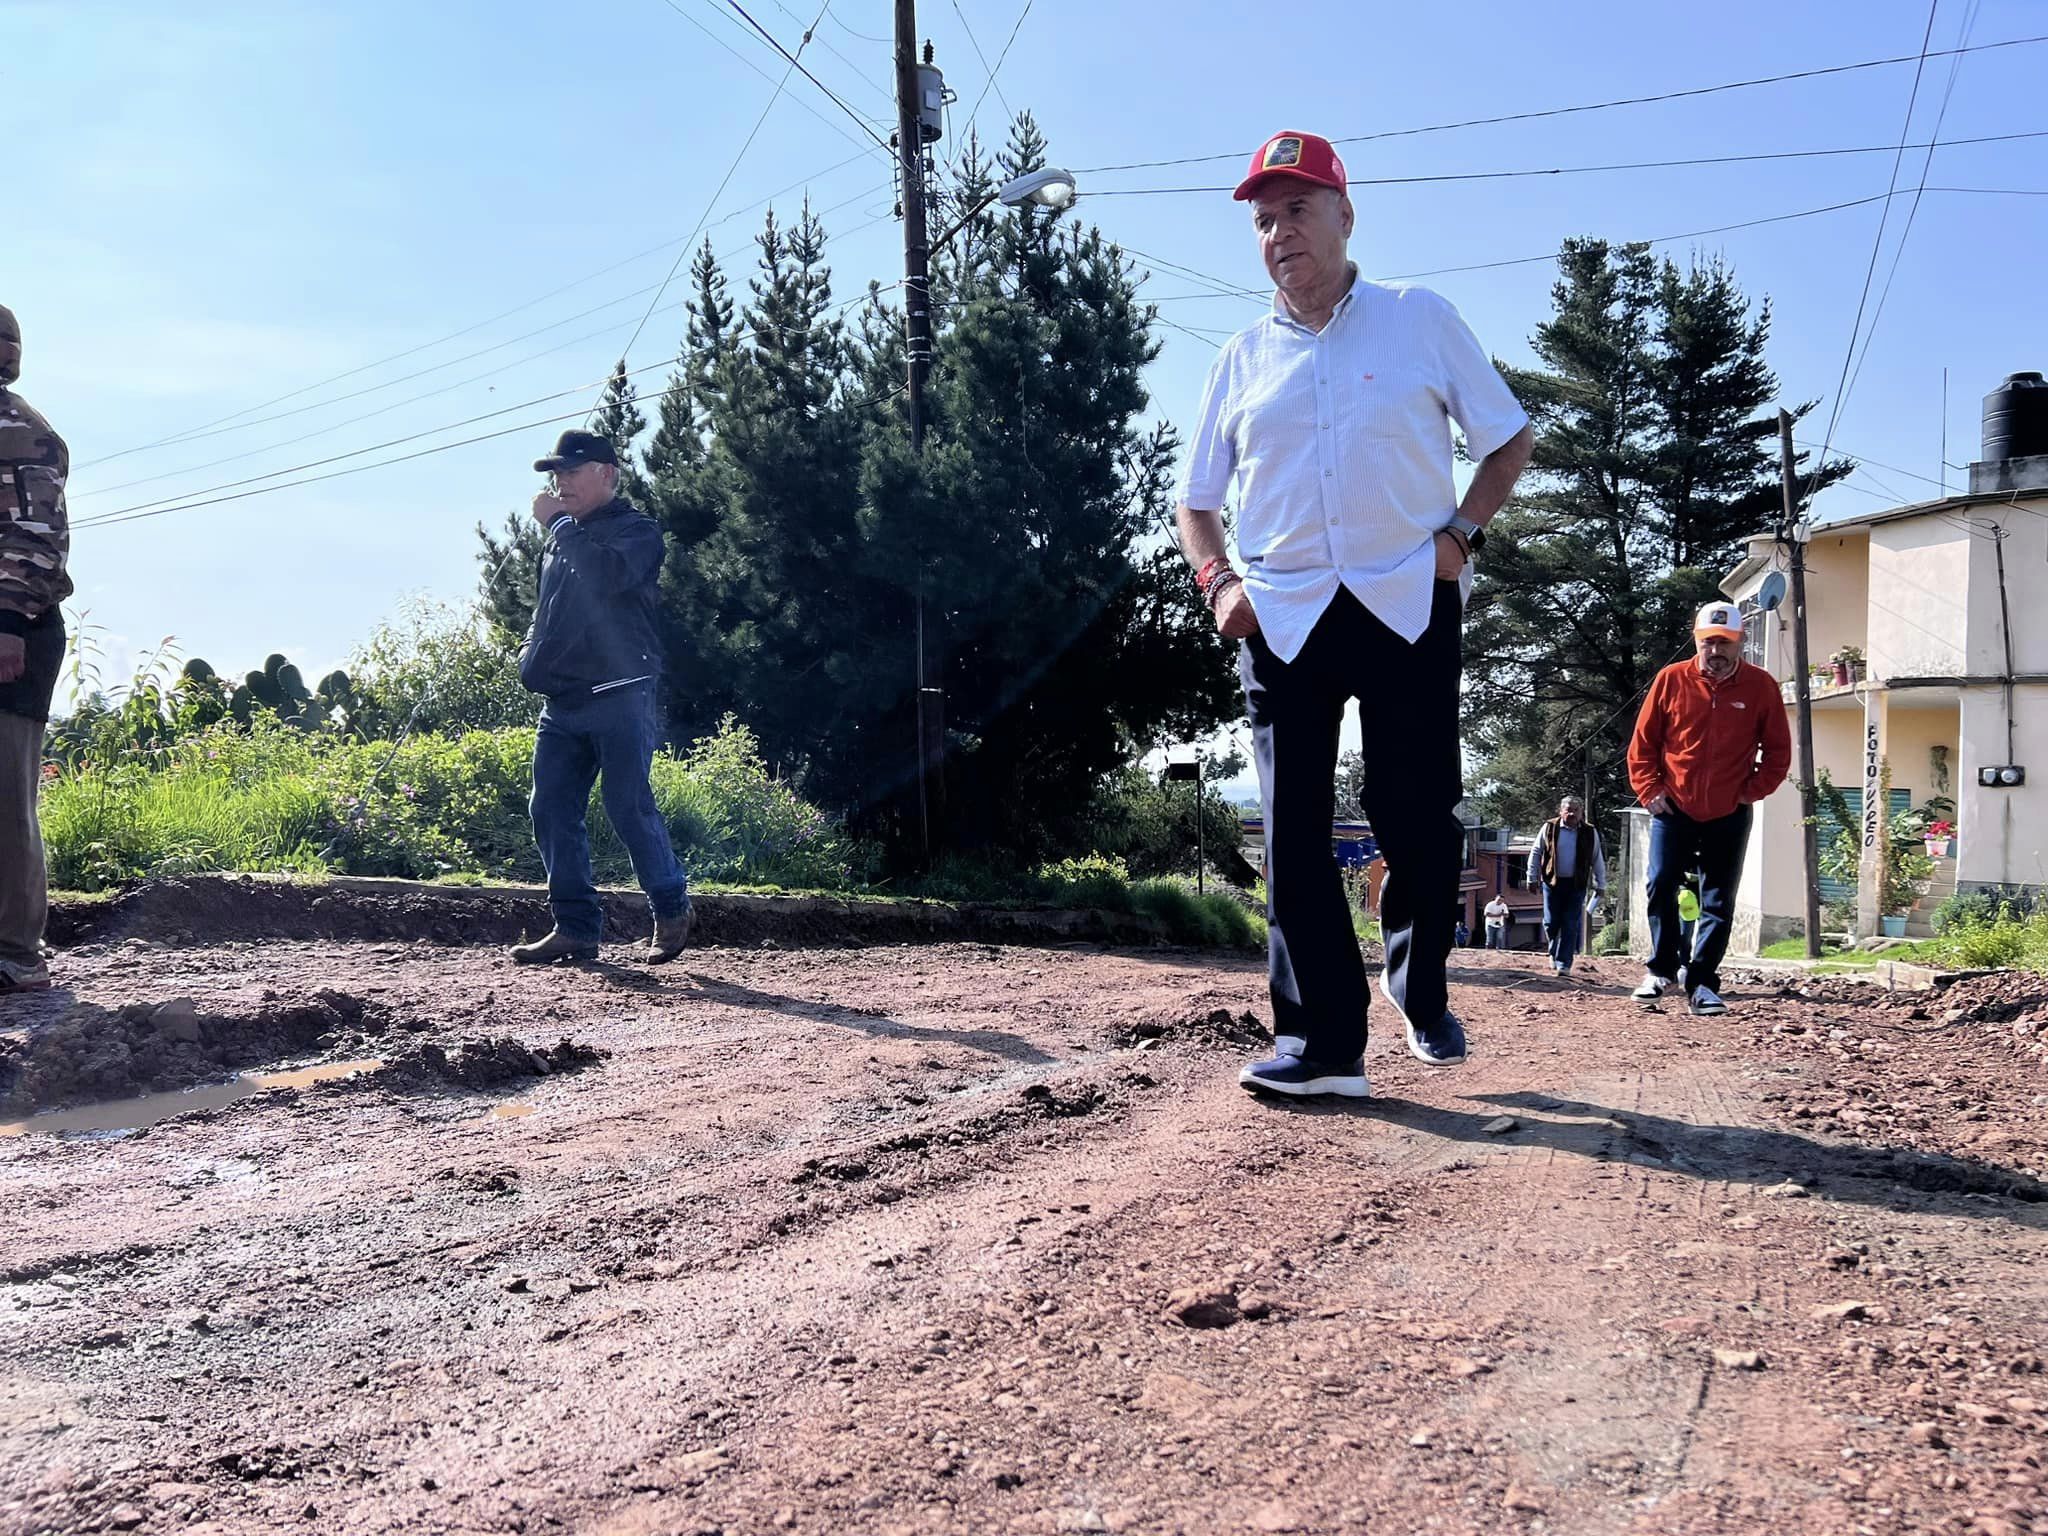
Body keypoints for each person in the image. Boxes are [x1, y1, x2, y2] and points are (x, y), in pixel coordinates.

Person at [1176, 131, 1534, 1098]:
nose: (1279, 233)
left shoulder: (1418, 321)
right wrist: (1221, 585)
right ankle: (1323, 1046)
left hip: (1406, 599)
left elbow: (1507, 441)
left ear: (1344, 214)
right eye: (1262, 220)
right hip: (1282, 615)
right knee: (1292, 833)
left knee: (1414, 814)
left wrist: (1463, 536)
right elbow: (1196, 498)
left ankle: (1419, 990)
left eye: (1296, 209)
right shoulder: (1239, 360)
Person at [508, 430, 693, 967]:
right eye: (556, 474)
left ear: (608, 474)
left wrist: (559, 525)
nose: (560, 482)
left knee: (626, 804)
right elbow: (548, 614)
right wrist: (529, 654)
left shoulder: (637, 532)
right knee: (549, 807)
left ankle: (672, 909)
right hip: (562, 703)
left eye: (571, 471)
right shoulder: (563, 541)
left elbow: (604, 575)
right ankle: (576, 928)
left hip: (620, 694)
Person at [1626, 600, 1791, 1015]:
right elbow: (1643, 745)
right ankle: (1661, 970)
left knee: (1718, 899)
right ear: (1697, 641)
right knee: (1660, 883)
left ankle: (1701, 982)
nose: (1716, 652)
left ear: (1740, 643)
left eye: (1725, 643)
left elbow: (1778, 753)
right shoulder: (1671, 680)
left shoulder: (1761, 687)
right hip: (1673, 807)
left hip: (1729, 811)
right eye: (1708, 643)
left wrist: (1750, 792)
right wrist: (1649, 791)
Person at [0, 305, 70, 997]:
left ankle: (16, 957)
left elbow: (35, 538)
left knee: (3, 796)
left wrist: (7, 624)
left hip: (13, 630)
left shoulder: (21, 431)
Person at [1526, 795, 1607, 976]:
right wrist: (1531, 877)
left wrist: (1600, 884)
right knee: (1551, 922)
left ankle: (1564, 963)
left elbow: (1597, 858)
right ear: (1561, 811)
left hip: (1576, 884)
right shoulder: (1549, 827)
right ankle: (1553, 953)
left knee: (1570, 923)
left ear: (1581, 813)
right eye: (1568, 809)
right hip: (1552, 882)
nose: (1571, 813)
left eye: (1575, 810)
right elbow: (1536, 851)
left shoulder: (1589, 832)